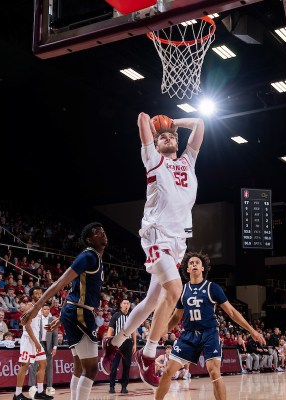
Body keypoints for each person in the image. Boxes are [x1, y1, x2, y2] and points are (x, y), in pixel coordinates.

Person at [101, 113, 205, 388]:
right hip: (156, 234)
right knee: (174, 290)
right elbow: (142, 118)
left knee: (150, 302)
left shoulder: (187, 161)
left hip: (178, 241)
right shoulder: (153, 159)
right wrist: (160, 125)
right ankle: (147, 355)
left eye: (172, 137)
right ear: (156, 146)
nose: (169, 138)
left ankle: (114, 343)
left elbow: (200, 124)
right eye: (163, 138)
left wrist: (175, 124)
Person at [155, 251, 265, 400]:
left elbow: (232, 312)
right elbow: (176, 316)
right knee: (168, 371)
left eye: (197, 263)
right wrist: (161, 331)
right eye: (191, 263)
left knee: (214, 372)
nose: (194, 264)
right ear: (187, 269)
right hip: (188, 334)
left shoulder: (212, 288)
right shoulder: (183, 289)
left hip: (209, 333)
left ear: (202, 268)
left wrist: (252, 331)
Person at [20, 222, 107, 400]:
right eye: (98, 232)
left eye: (103, 231)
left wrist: (61, 317)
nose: (103, 233)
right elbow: (60, 283)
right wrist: (36, 308)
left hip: (74, 311)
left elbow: (74, 291)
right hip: (80, 313)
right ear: (89, 239)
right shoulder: (88, 256)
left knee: (79, 366)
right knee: (91, 368)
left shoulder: (95, 258)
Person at [12, 300, 52, 400]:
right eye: (36, 294)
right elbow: (27, 326)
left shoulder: (39, 308)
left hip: (35, 340)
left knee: (43, 363)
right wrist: (36, 343)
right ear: (32, 295)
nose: (39, 296)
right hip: (28, 340)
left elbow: (35, 326)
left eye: (40, 294)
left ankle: (39, 391)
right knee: (24, 365)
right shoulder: (29, 307)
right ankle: (17, 394)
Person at [105, 299, 136, 394]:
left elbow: (133, 330)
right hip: (117, 342)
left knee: (127, 366)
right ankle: (111, 386)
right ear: (121, 305)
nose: (126, 305)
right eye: (124, 303)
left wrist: (135, 344)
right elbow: (110, 329)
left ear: (129, 305)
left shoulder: (132, 316)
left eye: (128, 303)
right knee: (114, 366)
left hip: (128, 343)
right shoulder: (116, 315)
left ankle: (124, 387)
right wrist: (108, 342)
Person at [28, 304, 58, 396]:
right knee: (34, 364)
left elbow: (55, 335)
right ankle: (32, 385)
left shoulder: (52, 320)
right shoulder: (37, 319)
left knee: (49, 366)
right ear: (42, 310)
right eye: (44, 309)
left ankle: (49, 386)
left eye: (48, 309)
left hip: (48, 345)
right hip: (38, 344)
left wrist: (55, 347)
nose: (46, 311)